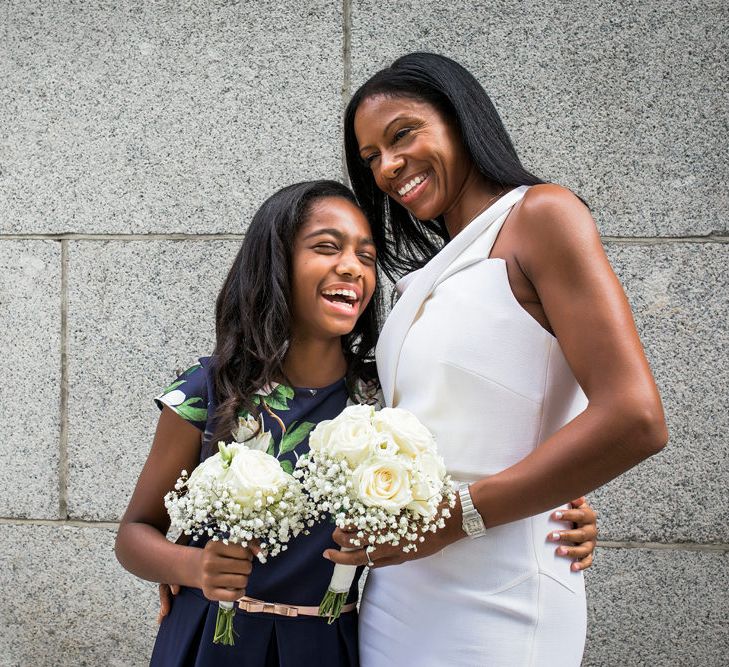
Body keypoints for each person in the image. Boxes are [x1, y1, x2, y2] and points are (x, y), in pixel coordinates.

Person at [119, 179, 597, 666]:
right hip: (212, 642)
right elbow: (135, 532)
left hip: (330, 645)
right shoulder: (210, 390)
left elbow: (478, 451)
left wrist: (554, 511)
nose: (351, 266)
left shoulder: (387, 401)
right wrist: (194, 566)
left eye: (366, 257)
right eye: (327, 247)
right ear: (275, 262)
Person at [326, 53, 668, 666]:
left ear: (461, 118)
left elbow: (634, 417)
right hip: (398, 594)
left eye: (402, 134)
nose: (387, 167)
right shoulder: (422, 279)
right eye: (371, 157)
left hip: (501, 594)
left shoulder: (543, 216)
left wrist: (457, 520)